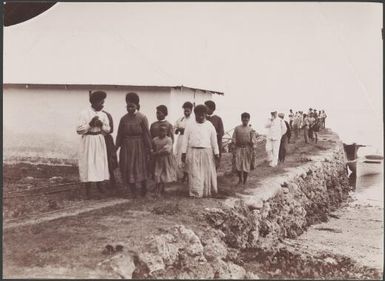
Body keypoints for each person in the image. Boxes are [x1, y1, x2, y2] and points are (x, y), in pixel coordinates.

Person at [116, 92, 152, 198]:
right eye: (128, 106)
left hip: (139, 146)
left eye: (132, 106)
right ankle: (132, 191)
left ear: (137, 106)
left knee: (139, 166)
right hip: (126, 146)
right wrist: (116, 146)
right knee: (127, 166)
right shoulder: (123, 119)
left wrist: (149, 148)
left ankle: (144, 189)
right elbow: (120, 134)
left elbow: (146, 134)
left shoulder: (142, 117)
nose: (130, 108)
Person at [76, 91, 110, 198]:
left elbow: (108, 129)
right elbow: (79, 130)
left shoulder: (103, 114)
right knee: (88, 163)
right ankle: (88, 190)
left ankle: (100, 187)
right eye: (101, 102)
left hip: (99, 140)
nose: (102, 105)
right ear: (95, 102)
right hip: (88, 140)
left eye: (103, 102)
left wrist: (101, 125)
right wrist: (90, 124)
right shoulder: (84, 113)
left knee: (99, 163)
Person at [181, 104, 220, 198]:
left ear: (206, 114)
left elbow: (214, 140)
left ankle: (206, 192)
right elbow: (185, 139)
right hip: (193, 152)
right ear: (195, 114)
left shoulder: (209, 125)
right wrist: (183, 153)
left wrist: (216, 153)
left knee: (206, 173)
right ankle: (195, 193)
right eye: (199, 115)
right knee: (195, 173)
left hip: (206, 152)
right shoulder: (190, 125)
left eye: (203, 115)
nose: (201, 117)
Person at [150, 105, 174, 179]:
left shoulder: (169, 125)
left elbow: (171, 139)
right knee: (155, 167)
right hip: (155, 149)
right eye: (157, 113)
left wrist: (167, 149)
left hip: (164, 151)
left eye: (159, 113)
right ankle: (156, 182)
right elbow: (150, 137)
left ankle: (163, 184)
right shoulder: (153, 125)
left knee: (164, 168)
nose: (157, 115)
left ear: (165, 113)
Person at [151, 125, 177, 196]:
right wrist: (152, 152)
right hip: (157, 160)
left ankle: (160, 189)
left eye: (164, 131)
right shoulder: (155, 139)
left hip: (165, 160)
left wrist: (157, 153)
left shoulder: (168, 139)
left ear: (166, 132)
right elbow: (152, 147)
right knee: (157, 173)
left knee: (163, 174)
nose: (162, 132)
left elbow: (167, 150)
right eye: (160, 130)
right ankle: (157, 188)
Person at [174, 101, 193, 182]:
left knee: (188, 157)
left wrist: (185, 130)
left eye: (188, 111)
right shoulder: (181, 119)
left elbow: (193, 130)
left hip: (189, 140)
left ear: (191, 111)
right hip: (181, 140)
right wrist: (177, 130)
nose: (186, 112)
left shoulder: (193, 120)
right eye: (185, 111)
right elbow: (174, 127)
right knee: (180, 156)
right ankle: (182, 175)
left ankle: (188, 175)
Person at [232, 113, 253, 185]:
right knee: (238, 164)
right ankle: (240, 179)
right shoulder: (237, 128)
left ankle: (244, 181)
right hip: (238, 148)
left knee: (246, 165)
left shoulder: (251, 130)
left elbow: (253, 140)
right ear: (241, 119)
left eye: (247, 118)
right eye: (244, 118)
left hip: (247, 148)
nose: (245, 120)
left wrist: (252, 145)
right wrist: (233, 145)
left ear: (249, 120)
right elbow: (234, 137)